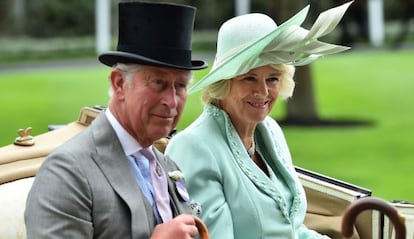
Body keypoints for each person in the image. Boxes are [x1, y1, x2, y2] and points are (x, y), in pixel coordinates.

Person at [165, 2, 352, 239]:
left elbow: (292, 230)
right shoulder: (194, 147)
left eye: (272, 79)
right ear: (224, 83)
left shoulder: (270, 130)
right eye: (249, 79)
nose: (262, 92)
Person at [24, 1, 207, 239]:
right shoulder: (67, 173)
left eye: (180, 86)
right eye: (158, 83)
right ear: (119, 83)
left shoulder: (168, 166)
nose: (171, 101)